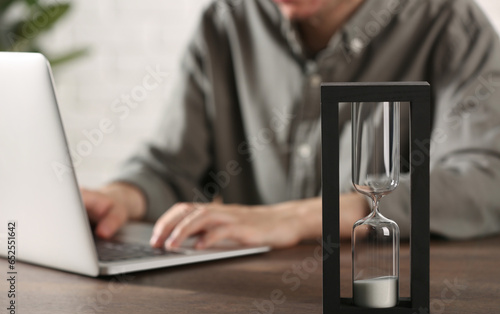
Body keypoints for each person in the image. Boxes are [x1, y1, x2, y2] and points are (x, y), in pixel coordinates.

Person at [82, 0, 500, 250]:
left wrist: (302, 217)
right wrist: (121, 196)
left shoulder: (448, 24)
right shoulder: (227, 21)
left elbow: (486, 180)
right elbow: (171, 168)